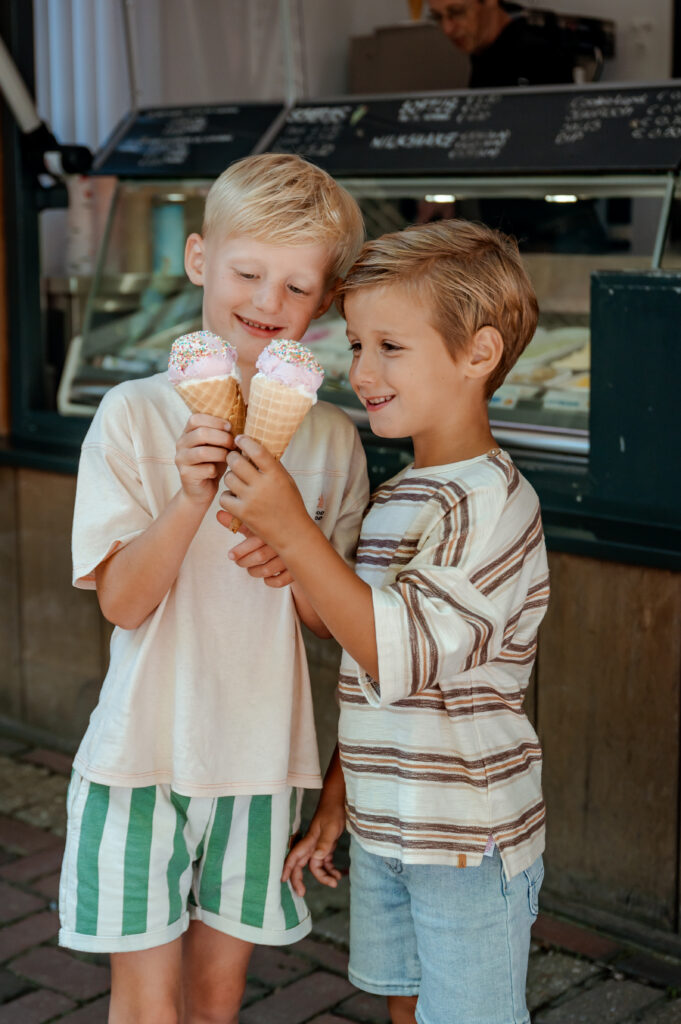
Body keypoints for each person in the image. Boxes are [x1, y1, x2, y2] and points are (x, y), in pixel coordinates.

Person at [58, 152, 369, 1023]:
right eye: (247, 273)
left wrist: (296, 544)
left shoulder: (331, 442)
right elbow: (121, 602)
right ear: (200, 260)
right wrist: (192, 497)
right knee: (148, 1007)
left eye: (298, 287)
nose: (268, 303)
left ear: (328, 298)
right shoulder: (133, 414)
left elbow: (328, 623)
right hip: (140, 755)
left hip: (261, 762)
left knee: (215, 999)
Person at [219, 218, 550, 1024]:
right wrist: (339, 798)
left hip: (466, 838)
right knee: (401, 1006)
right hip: (386, 823)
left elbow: (396, 651)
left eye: (389, 348)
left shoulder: (492, 505)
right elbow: (368, 671)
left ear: (476, 355)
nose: (360, 371)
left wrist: (297, 532)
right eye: (355, 344)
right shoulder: (400, 494)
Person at [428, 0, 574, 88]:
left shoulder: (541, 57)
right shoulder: (481, 52)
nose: (447, 29)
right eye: (437, 17)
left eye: (457, 12)